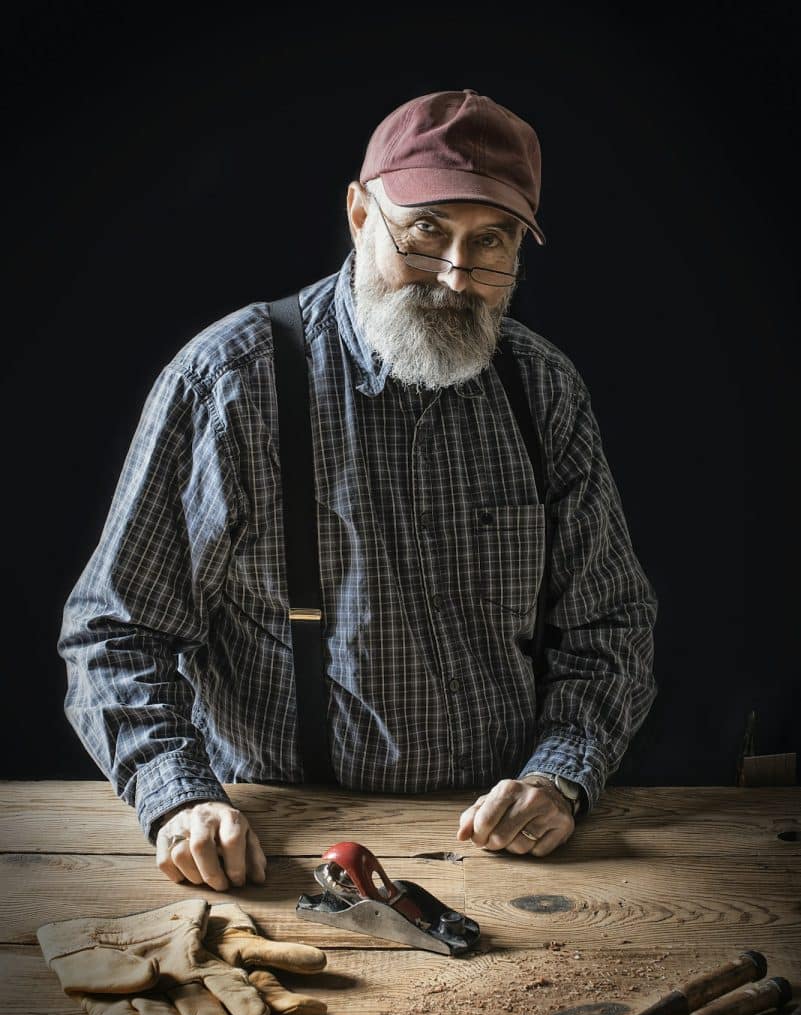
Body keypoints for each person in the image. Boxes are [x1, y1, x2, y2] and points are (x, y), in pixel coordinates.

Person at [58, 89, 658, 890]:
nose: (455, 275)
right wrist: (180, 801)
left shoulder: (541, 388)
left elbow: (609, 625)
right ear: (358, 214)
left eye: (489, 241)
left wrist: (558, 775)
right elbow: (114, 633)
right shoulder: (231, 383)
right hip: (279, 845)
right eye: (426, 230)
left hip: (499, 844)